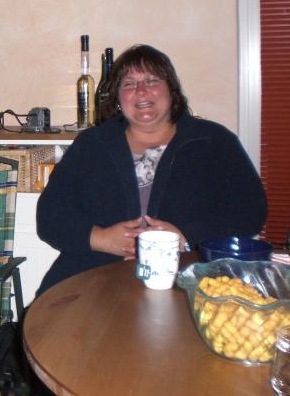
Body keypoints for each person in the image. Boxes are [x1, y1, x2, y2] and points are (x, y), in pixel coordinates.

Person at [36, 44, 267, 295]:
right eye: (129, 84)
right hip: (94, 276)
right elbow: (50, 214)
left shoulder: (214, 142)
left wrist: (187, 237)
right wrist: (100, 238)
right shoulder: (92, 144)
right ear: (118, 98)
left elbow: (250, 210)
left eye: (152, 80)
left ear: (172, 90)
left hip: (189, 277)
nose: (141, 90)